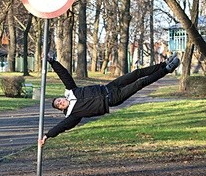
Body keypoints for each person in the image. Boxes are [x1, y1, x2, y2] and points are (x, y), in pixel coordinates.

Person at [39, 53, 180, 147]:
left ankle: (163, 64)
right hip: (112, 99)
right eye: (59, 105)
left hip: (109, 87)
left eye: (59, 100)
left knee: (136, 74)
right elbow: (62, 126)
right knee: (139, 83)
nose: (61, 103)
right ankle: (167, 70)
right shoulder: (74, 114)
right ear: (62, 109)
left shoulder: (72, 91)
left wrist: (52, 61)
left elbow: (64, 75)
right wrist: (47, 135)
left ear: (62, 97)